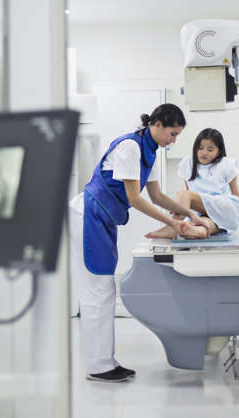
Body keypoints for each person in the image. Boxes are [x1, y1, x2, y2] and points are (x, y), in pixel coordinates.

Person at [71, 103, 203, 383]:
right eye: (172, 133)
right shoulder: (130, 147)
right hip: (89, 214)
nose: (173, 140)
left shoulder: (150, 151)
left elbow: (156, 196)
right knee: (98, 289)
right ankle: (99, 366)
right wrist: (173, 224)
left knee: (102, 289)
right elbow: (134, 198)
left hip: (102, 217)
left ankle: (104, 362)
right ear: (156, 125)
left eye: (178, 135)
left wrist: (190, 212)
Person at [146, 128, 239, 240]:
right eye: (200, 148)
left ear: (219, 152)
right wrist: (181, 206)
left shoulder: (226, 164)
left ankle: (172, 227)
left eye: (210, 149)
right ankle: (196, 231)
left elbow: (237, 196)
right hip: (204, 213)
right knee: (204, 225)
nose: (204, 152)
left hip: (224, 207)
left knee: (184, 194)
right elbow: (190, 199)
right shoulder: (188, 164)